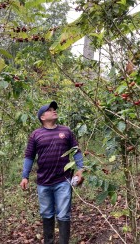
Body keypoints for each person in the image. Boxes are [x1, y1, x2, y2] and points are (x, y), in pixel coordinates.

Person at [20, 101, 84, 244]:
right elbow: (29, 156)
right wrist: (25, 176)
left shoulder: (66, 131)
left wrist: (80, 169)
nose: (54, 111)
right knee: (46, 214)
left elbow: (76, 151)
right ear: (42, 117)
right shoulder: (36, 135)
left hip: (63, 180)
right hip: (43, 182)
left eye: (54, 109)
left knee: (63, 215)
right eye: (49, 110)